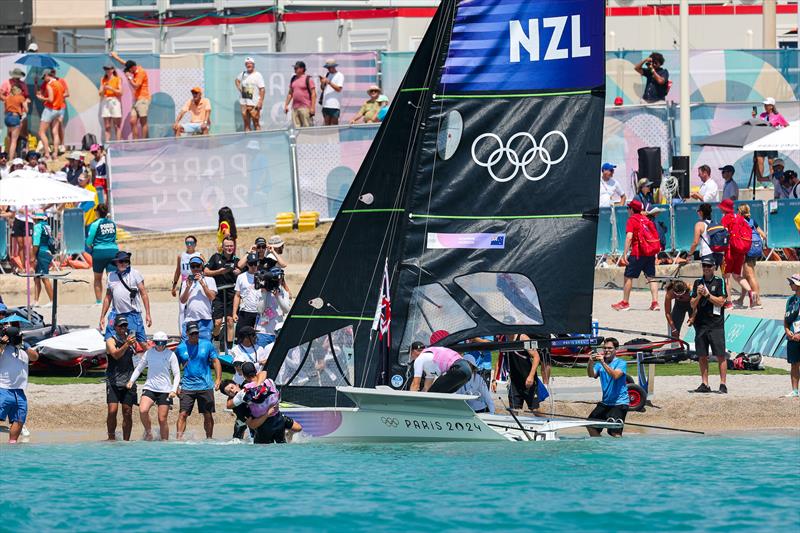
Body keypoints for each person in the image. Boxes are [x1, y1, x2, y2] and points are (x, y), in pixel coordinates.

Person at [219, 362, 302, 444]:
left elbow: (229, 405)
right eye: (229, 392)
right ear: (255, 371)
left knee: (296, 429)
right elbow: (264, 372)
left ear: (243, 378)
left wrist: (257, 387)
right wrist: (267, 413)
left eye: (232, 388)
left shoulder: (245, 393)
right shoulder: (269, 381)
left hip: (276, 418)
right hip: (263, 422)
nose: (233, 391)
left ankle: (288, 435)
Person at [126, 331, 180, 441]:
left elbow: (177, 374)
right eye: (158, 343)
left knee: (162, 419)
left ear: (165, 343)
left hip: (165, 390)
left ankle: (165, 441)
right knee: (143, 410)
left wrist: (173, 389)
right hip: (150, 387)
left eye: (162, 343)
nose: (160, 346)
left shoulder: (171, 354)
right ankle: (148, 431)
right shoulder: (149, 353)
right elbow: (139, 368)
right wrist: (131, 380)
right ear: (154, 343)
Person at [175, 321, 221, 440]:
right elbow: (174, 367)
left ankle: (209, 438)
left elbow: (216, 361)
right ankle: (179, 439)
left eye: (196, 333)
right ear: (187, 334)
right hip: (187, 386)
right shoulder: (180, 348)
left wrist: (218, 379)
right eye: (192, 334)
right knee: (183, 414)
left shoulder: (207, 345)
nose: (194, 336)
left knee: (207, 414)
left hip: (205, 385)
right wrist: (176, 385)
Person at [689, 256, 729, 394]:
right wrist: (699, 295)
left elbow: (721, 302)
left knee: (720, 355)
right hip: (701, 324)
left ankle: (723, 384)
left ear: (714, 268)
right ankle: (704, 383)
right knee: (702, 355)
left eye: (708, 266)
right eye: (704, 266)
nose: (706, 268)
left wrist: (707, 295)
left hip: (716, 324)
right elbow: (692, 304)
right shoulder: (697, 282)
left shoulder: (719, 282)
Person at [612, 200, 660, 312]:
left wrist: (624, 254)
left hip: (637, 253)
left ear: (632, 210)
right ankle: (655, 302)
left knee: (628, 276)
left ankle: (625, 302)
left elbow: (629, 237)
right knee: (651, 277)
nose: (627, 210)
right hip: (650, 253)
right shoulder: (646, 219)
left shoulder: (632, 220)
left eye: (628, 208)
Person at [99, 251, 152, 343]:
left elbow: (144, 294)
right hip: (116, 314)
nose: (123, 263)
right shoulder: (111, 276)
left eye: (126, 261)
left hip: (133, 314)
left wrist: (148, 314)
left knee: (141, 342)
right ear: (116, 263)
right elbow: (108, 297)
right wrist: (102, 316)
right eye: (121, 261)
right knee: (109, 338)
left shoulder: (135, 273)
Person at [0, 326, 38, 444]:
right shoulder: (2, 349)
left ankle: (12, 445)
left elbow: (35, 357)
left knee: (19, 420)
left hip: (19, 391)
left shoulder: (23, 348)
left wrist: (24, 346)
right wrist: (2, 345)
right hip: (3, 388)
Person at [586, 337, 628, 437]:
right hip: (606, 402)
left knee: (614, 432)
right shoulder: (599, 364)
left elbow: (615, 375)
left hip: (619, 403)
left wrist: (603, 362)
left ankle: (619, 451)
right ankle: (601, 447)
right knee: (590, 425)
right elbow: (591, 374)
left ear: (616, 349)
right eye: (605, 348)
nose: (606, 350)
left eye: (610, 348)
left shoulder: (621, 363)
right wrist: (590, 362)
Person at [104, 315, 137, 441]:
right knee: (112, 411)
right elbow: (116, 355)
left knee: (127, 412)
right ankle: (111, 438)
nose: (123, 328)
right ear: (115, 327)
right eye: (120, 326)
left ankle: (126, 440)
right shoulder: (110, 341)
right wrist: (126, 345)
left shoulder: (132, 340)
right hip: (113, 381)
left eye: (125, 325)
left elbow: (137, 357)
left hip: (128, 381)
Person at [204, 237, 240, 351]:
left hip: (231, 293)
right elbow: (205, 271)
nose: (229, 248)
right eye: (227, 246)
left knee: (230, 321)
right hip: (218, 293)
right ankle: (215, 342)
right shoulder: (216, 257)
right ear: (223, 247)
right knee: (218, 322)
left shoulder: (237, 260)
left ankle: (229, 350)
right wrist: (219, 272)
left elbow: (245, 271)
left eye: (231, 246)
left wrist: (238, 271)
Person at [719, 198, 753, 309]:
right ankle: (751, 292)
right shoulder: (740, 218)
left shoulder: (725, 219)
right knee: (737, 275)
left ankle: (728, 303)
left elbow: (722, 235)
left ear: (724, 208)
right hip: (740, 251)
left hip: (730, 251)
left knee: (726, 277)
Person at [496, 333, 545, 410]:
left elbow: (536, 357)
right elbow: (499, 360)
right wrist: (494, 380)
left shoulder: (523, 338)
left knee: (535, 410)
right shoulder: (504, 339)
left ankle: (545, 421)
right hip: (514, 382)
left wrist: (531, 376)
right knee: (514, 410)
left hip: (528, 380)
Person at [110, 52, 150, 139]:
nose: (128, 71)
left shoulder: (141, 72)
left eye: (129, 70)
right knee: (132, 121)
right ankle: (136, 142)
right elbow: (125, 63)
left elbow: (136, 86)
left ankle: (144, 142)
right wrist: (116, 57)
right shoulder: (133, 67)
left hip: (143, 99)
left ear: (133, 67)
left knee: (143, 122)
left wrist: (129, 77)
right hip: (136, 100)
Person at [86, 204, 119, 305]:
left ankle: (99, 302)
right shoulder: (112, 223)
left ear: (97, 212)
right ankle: (114, 301)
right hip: (113, 251)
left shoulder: (95, 224)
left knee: (97, 278)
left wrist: (91, 246)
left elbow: (89, 241)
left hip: (99, 252)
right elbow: (115, 238)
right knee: (112, 279)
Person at [179, 256, 217, 340]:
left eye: (198, 266)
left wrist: (202, 283)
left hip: (205, 319)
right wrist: (188, 287)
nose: (196, 268)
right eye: (193, 266)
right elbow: (182, 301)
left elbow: (212, 297)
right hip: (190, 319)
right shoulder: (186, 282)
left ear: (202, 266)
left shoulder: (210, 280)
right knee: (186, 344)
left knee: (205, 345)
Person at [171, 235, 204, 329]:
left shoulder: (199, 255)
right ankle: (182, 331)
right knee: (182, 308)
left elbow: (205, 269)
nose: (189, 245)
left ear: (195, 244)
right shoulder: (181, 256)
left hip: (197, 283)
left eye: (191, 243)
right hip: (185, 283)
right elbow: (178, 271)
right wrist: (174, 286)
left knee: (194, 305)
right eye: (187, 243)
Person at [738, 203, 766, 309]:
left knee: (750, 276)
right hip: (755, 250)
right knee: (746, 276)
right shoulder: (753, 221)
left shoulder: (740, 222)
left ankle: (757, 300)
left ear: (740, 212)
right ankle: (741, 299)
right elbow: (763, 234)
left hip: (747, 251)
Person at [35, 69, 65, 161]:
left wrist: (42, 98)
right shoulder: (59, 83)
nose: (44, 79)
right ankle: (55, 154)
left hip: (50, 110)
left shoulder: (49, 85)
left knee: (41, 132)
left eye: (44, 77)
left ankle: (47, 154)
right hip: (59, 110)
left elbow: (51, 99)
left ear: (48, 75)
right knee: (55, 132)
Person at [233, 253, 264, 336]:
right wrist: (234, 313)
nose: (253, 266)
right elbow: (237, 295)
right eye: (251, 264)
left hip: (260, 312)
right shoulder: (241, 277)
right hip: (245, 311)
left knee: (258, 337)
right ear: (247, 264)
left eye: (255, 263)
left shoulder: (263, 275)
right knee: (241, 336)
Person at [254, 282, 290, 348]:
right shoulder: (260, 292)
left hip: (278, 332)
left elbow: (286, 310)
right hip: (263, 332)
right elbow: (260, 310)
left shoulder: (283, 292)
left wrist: (278, 296)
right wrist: (264, 294)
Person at [687, 203, 723, 268]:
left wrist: (689, 254)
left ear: (701, 212)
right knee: (724, 277)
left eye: (698, 211)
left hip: (707, 253)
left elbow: (695, 243)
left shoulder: (699, 224)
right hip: (719, 253)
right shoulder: (716, 223)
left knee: (708, 276)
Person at [235, 57, 265, 132]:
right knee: (246, 123)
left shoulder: (258, 75)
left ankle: (259, 140)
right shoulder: (243, 74)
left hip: (254, 103)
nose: (248, 65)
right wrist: (240, 89)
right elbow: (236, 80)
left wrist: (260, 102)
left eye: (250, 63)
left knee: (256, 123)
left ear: (253, 65)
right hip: (244, 103)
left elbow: (262, 89)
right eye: (247, 64)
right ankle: (247, 141)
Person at [31, 212, 54, 306]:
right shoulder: (47, 226)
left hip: (41, 253)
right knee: (37, 277)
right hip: (46, 251)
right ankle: (36, 301)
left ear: (36, 219)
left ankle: (53, 301)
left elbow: (36, 243)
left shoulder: (37, 227)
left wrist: (32, 256)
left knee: (44, 278)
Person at [284, 61, 316, 128]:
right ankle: (298, 139)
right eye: (294, 68)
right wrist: (286, 105)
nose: (294, 69)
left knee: (307, 128)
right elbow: (290, 93)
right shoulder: (293, 79)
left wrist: (312, 108)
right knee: (297, 129)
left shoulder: (308, 79)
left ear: (302, 69)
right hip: (295, 108)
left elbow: (313, 94)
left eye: (296, 68)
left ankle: (308, 139)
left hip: (305, 108)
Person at [784, 274, 800, 398]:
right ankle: (795, 390)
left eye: (792, 282)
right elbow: (786, 317)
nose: (790, 284)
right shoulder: (790, 300)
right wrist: (787, 330)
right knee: (794, 363)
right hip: (792, 336)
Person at [98, 63, 122, 142]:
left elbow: (121, 92)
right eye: (105, 69)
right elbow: (100, 93)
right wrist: (104, 89)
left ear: (112, 70)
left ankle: (118, 145)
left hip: (114, 101)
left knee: (117, 126)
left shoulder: (118, 79)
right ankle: (107, 145)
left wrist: (111, 89)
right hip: (105, 101)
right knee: (107, 126)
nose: (107, 71)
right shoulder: (103, 79)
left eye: (108, 69)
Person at [4, 84, 28, 161]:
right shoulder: (21, 97)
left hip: (7, 118)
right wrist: (26, 102)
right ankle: (11, 159)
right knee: (14, 140)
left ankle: (9, 156)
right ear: (19, 91)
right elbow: (26, 110)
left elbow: (5, 110)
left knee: (10, 138)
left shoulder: (7, 98)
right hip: (15, 117)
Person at [319, 58, 344, 126]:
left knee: (334, 126)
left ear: (334, 66)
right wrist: (322, 83)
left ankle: (334, 137)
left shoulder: (340, 75)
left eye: (330, 67)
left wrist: (329, 82)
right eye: (327, 67)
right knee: (326, 126)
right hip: (325, 104)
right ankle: (327, 137)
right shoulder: (327, 74)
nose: (328, 69)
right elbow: (323, 88)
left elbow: (339, 89)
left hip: (334, 105)